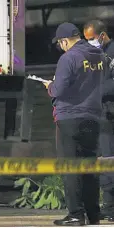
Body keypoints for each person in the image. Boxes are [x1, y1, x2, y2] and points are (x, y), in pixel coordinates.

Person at [43, 22, 106, 226]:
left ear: (64, 41)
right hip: (93, 118)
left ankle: (75, 214)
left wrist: (50, 86)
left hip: (70, 117)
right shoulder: (100, 56)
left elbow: (58, 90)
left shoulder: (68, 58)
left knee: (70, 167)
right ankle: (93, 214)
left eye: (60, 43)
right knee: (89, 167)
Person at [84, 19, 114, 222]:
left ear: (102, 35)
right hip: (103, 113)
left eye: (92, 39)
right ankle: (110, 206)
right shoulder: (96, 55)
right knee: (106, 158)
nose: (90, 43)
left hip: (109, 111)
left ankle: (111, 207)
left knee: (109, 158)